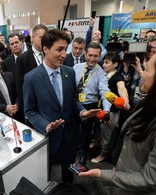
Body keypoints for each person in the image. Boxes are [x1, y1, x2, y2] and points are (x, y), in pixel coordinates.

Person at [79, 47, 156, 195]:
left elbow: (152, 179)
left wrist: (103, 174)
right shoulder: (152, 103)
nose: (140, 73)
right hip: (122, 189)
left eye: (146, 69)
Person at [23, 29, 100, 183]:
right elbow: (29, 111)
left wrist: (82, 112)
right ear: (45, 49)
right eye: (59, 49)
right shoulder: (31, 78)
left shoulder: (69, 72)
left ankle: (67, 190)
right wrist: (46, 125)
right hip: (48, 138)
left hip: (70, 135)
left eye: (66, 49)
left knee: (68, 173)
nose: (64, 54)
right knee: (45, 174)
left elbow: (73, 100)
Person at [73, 42, 111, 166]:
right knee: (71, 131)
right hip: (74, 103)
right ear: (85, 54)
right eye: (90, 55)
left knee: (85, 134)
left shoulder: (101, 73)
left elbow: (105, 92)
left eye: (96, 56)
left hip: (90, 106)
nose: (92, 58)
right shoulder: (76, 68)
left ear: (99, 56)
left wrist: (106, 111)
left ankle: (83, 156)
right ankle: (70, 153)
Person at [91, 53, 130, 163]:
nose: (103, 65)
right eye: (104, 62)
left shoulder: (118, 77)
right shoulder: (102, 74)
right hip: (99, 108)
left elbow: (122, 88)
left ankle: (104, 152)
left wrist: (125, 99)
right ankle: (97, 141)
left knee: (106, 133)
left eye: (107, 62)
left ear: (116, 64)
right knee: (98, 128)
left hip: (111, 112)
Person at [16, 23, 48, 124]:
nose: (44, 41)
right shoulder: (22, 59)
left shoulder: (50, 55)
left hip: (49, 103)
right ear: (33, 37)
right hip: (33, 106)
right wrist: (25, 109)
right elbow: (20, 86)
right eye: (41, 37)